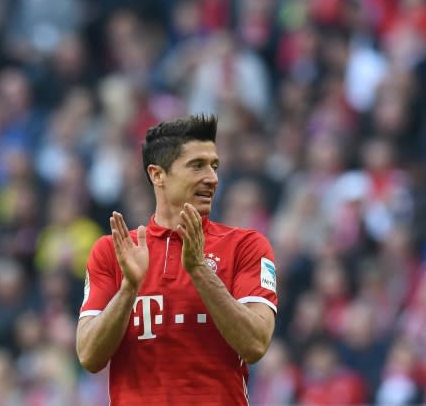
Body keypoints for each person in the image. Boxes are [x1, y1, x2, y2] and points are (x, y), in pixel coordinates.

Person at [75, 115, 278, 405]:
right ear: (158, 175)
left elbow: (256, 343)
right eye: (197, 165)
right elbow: (89, 355)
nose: (212, 178)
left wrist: (199, 271)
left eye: (214, 166)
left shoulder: (246, 246)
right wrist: (129, 288)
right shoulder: (114, 252)